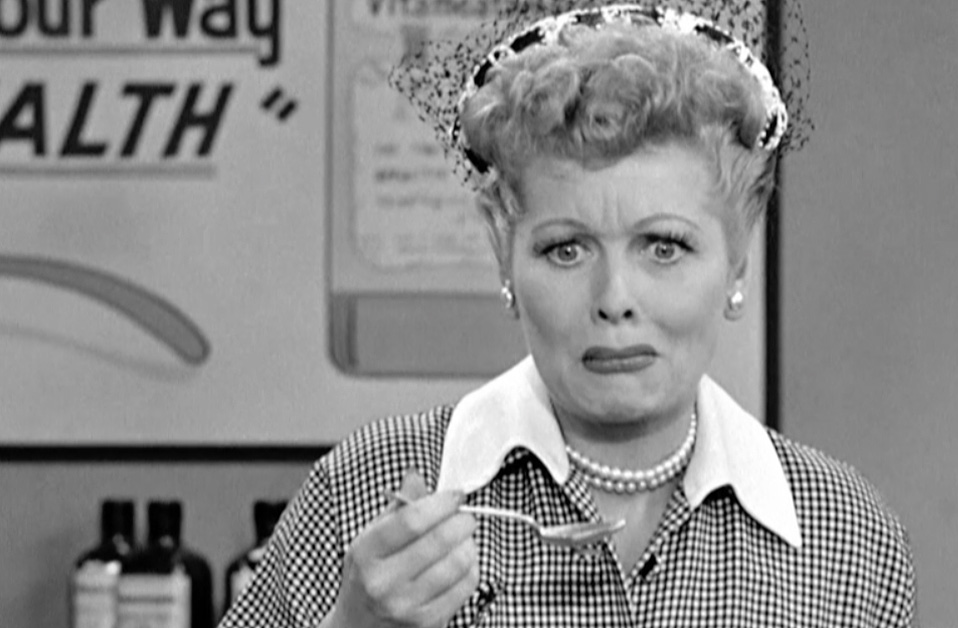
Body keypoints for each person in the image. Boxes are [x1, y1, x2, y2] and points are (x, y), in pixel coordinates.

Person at [220, 3, 916, 627]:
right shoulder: (357, 496)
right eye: (566, 250)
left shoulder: (846, 540)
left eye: (664, 246)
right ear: (504, 254)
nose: (614, 297)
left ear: (737, 260)